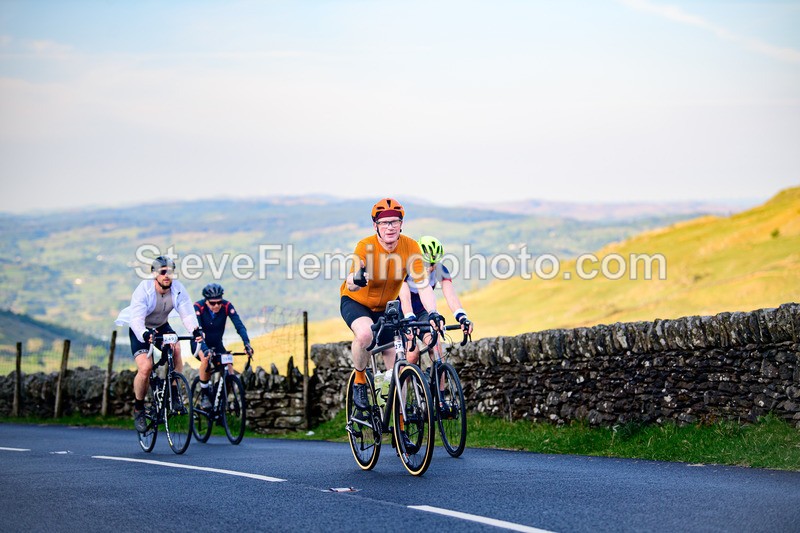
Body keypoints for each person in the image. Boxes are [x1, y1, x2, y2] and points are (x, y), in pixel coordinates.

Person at [340, 198, 445, 423]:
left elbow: (424, 285)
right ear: (375, 226)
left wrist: (433, 312)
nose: (390, 227)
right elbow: (351, 280)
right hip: (357, 302)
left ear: (401, 224)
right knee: (366, 335)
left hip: (387, 308)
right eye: (385, 222)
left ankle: (400, 425)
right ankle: (359, 381)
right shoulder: (365, 246)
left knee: (397, 368)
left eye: (394, 222)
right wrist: (357, 279)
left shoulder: (410, 247)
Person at [116, 256, 203, 433]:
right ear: (155, 274)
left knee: (176, 347)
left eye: (171, 271)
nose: (167, 275)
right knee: (146, 367)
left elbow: (187, 314)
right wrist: (145, 334)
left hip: (162, 326)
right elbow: (137, 320)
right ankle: (139, 408)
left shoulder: (178, 289)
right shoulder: (144, 290)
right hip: (141, 328)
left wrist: (195, 330)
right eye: (163, 272)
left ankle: (174, 391)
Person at [399, 235, 474, 367]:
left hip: (422, 312)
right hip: (402, 313)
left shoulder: (439, 270)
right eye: (426, 263)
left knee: (436, 346)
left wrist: (462, 317)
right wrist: (410, 322)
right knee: (412, 354)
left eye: (433, 264)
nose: (430, 268)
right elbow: (405, 300)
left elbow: (451, 296)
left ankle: (440, 387)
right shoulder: (405, 269)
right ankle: (404, 386)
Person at [192, 283, 254, 410]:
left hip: (217, 344)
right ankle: (204, 395)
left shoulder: (226, 306)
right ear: (206, 301)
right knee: (205, 359)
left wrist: (247, 344)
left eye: (219, 302)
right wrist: (205, 349)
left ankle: (220, 404)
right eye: (213, 303)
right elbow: (198, 331)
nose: (217, 306)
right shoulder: (198, 307)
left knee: (229, 369)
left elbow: (239, 326)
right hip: (199, 343)